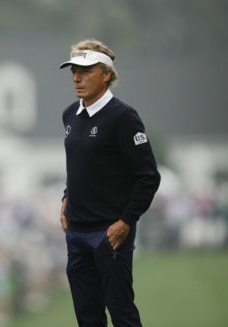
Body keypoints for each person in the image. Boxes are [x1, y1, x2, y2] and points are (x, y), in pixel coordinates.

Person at [59, 39, 161, 326]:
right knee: (87, 317)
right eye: (73, 71)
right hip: (77, 233)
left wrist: (126, 221)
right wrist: (67, 197)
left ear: (106, 74)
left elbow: (148, 176)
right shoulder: (70, 114)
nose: (77, 77)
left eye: (85, 70)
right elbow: (82, 167)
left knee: (122, 314)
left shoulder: (123, 117)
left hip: (110, 233)